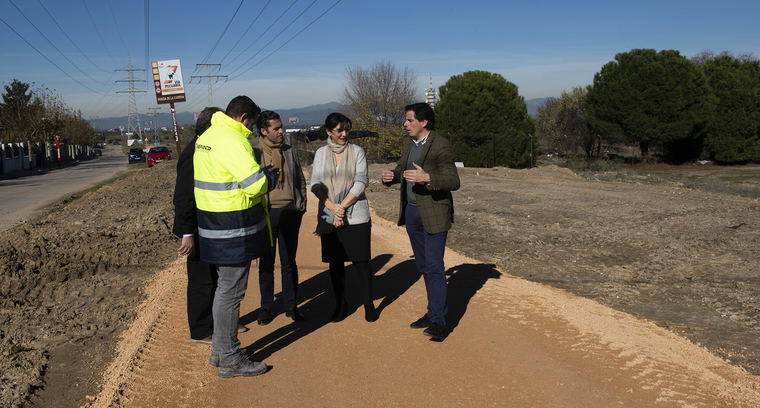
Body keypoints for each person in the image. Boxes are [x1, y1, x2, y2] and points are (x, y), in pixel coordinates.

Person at [193, 95, 275, 378]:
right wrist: (269, 178)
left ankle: (219, 350)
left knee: (222, 291)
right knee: (231, 293)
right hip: (233, 228)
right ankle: (230, 358)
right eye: (251, 124)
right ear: (242, 118)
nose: (251, 130)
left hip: (212, 224)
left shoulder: (208, 136)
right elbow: (255, 186)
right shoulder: (232, 140)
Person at [174, 106, 253, 345]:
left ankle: (222, 322)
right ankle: (201, 329)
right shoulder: (194, 152)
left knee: (219, 278)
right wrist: (187, 232)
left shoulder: (207, 147)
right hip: (198, 227)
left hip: (213, 223)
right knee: (201, 279)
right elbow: (183, 195)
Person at [382, 102, 460, 339]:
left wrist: (427, 177)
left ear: (423, 122)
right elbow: (401, 169)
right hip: (412, 213)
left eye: (409, 120)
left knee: (434, 267)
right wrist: (391, 177)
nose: (405, 124)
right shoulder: (408, 143)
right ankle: (432, 312)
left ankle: (438, 321)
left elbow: (453, 181)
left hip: (434, 213)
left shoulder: (441, 145)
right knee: (424, 266)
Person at [310, 112, 376, 322]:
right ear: (329, 131)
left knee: (361, 262)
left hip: (356, 215)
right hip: (330, 216)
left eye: (347, 129)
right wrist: (332, 207)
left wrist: (342, 207)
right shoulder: (321, 153)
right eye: (340, 130)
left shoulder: (357, 151)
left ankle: (368, 304)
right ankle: (341, 304)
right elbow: (316, 183)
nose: (345, 134)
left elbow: (361, 181)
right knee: (336, 263)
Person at [251, 111, 307, 325]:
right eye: (276, 128)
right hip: (266, 212)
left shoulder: (290, 151)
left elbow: (299, 178)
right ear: (264, 131)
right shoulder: (254, 153)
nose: (281, 131)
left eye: (281, 127)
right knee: (266, 261)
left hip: (291, 212)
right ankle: (266, 307)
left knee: (289, 262)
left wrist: (301, 205)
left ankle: (291, 305)